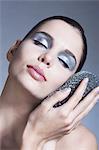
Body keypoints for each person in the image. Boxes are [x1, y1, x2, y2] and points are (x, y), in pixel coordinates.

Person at [0, 16, 98, 150]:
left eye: (64, 61)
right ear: (13, 50)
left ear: (69, 83)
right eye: (41, 43)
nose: (47, 57)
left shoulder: (79, 144)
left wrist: (36, 138)